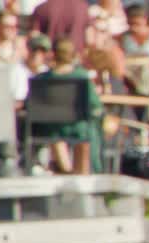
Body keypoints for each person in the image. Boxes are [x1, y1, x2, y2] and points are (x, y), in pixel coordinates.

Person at [34, 37, 103, 174]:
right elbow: (95, 105)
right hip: (77, 127)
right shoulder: (81, 77)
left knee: (56, 132)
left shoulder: (42, 79)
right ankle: (85, 172)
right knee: (90, 127)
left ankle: (66, 170)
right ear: (73, 55)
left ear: (53, 54)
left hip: (50, 128)